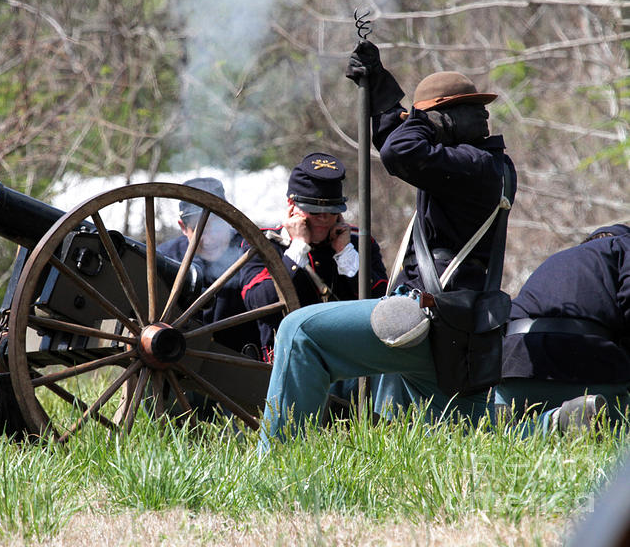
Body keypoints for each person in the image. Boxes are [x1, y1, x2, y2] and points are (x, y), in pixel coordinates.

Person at [258, 40, 517, 447]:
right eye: (476, 108)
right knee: (463, 436)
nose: (484, 116)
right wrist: (380, 86)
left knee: (298, 331)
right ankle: (556, 422)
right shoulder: (475, 166)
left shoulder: (478, 166)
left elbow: (402, 149)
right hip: (454, 325)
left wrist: (416, 116)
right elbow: (400, 145)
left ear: (443, 122)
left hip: (434, 319)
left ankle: (273, 466)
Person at [239, 152, 388, 363]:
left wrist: (346, 255)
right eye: (314, 210)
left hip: (351, 360)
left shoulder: (357, 243)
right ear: (292, 205)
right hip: (289, 360)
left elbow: (381, 304)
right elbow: (259, 303)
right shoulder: (264, 244)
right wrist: (297, 248)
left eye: (331, 209)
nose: (324, 217)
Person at [496, 223, 630, 433]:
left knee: (502, 428)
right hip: (584, 369)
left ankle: (522, 425)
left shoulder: (555, 261)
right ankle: (566, 420)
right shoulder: (623, 247)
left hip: (513, 370)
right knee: (619, 422)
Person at [157, 177, 260, 356]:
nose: (210, 239)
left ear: (229, 220)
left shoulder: (251, 254)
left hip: (244, 363)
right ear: (183, 227)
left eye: (217, 227)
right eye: (200, 229)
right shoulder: (165, 257)